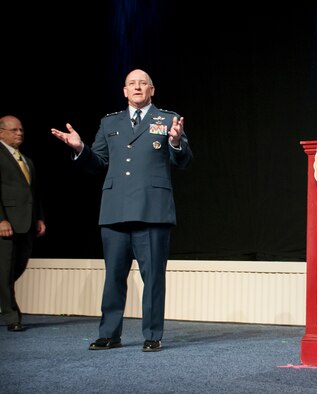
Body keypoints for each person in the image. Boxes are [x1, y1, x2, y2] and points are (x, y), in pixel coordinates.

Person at [51, 69, 192, 352]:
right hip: (115, 210)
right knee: (113, 275)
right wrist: (81, 149)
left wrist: (176, 142)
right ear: (124, 91)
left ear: (152, 90)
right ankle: (109, 333)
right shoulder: (110, 122)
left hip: (152, 210)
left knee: (152, 277)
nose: (137, 87)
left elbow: (184, 161)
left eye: (143, 83)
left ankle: (152, 334)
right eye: (132, 83)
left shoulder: (167, 119)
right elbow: (98, 163)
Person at [0, 115, 46, 332]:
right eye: (14, 130)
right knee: (4, 271)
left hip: (25, 223)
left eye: (21, 130)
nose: (19, 133)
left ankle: (9, 308)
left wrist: (39, 217)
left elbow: (33, 193)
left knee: (17, 268)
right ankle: (12, 316)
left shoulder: (26, 160)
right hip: (5, 224)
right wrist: (1, 219)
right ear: (1, 132)